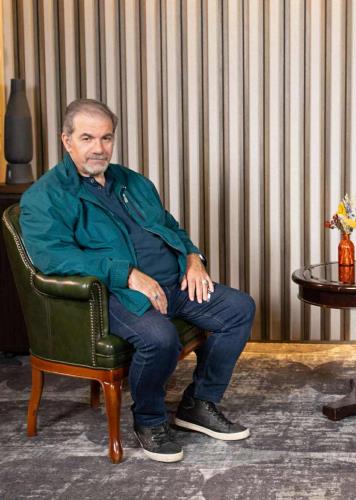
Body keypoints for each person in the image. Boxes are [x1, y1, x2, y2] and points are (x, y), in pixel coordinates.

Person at [20, 99, 256, 463]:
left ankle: (198, 404)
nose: (99, 148)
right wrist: (126, 274)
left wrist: (193, 258)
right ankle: (149, 419)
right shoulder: (45, 196)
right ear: (66, 140)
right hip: (115, 294)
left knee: (239, 308)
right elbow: (53, 257)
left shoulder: (134, 182)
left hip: (174, 283)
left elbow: (170, 227)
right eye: (87, 138)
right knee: (159, 338)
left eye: (106, 138)